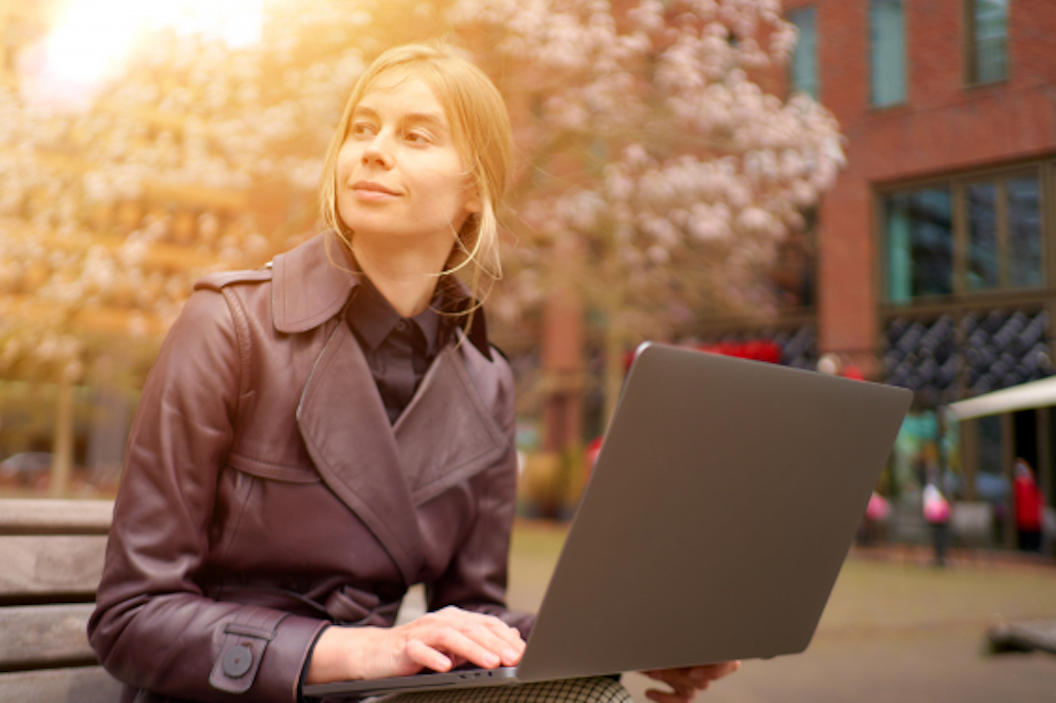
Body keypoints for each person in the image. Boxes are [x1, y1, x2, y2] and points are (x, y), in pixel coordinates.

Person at [88, 44, 739, 703]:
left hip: (375, 698)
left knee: (596, 696)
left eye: (416, 136)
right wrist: (357, 648)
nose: (372, 150)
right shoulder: (227, 326)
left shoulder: (486, 382)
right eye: (361, 129)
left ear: (474, 191)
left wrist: (627, 640)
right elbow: (131, 619)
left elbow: (475, 622)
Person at [1014, 459, 1044, 554]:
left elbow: (1038, 497)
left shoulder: (1032, 482)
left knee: (1033, 531)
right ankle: (1026, 548)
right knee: (1025, 531)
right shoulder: (1018, 483)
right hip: (1024, 512)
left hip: (1033, 513)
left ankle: (1034, 549)